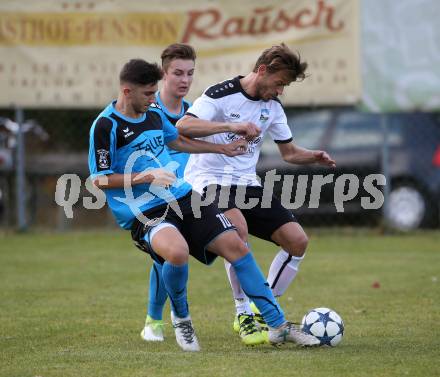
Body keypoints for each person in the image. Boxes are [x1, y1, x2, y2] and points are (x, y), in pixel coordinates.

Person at [88, 58, 320, 351]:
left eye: (154, 92)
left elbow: (179, 142)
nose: (153, 99)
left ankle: (278, 326)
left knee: (237, 246)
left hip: (183, 196)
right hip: (143, 209)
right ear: (126, 92)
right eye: (148, 94)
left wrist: (220, 147)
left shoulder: (154, 116)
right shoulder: (105, 125)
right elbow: (100, 180)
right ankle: (182, 321)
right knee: (177, 252)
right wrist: (145, 175)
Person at [177, 43, 336, 345]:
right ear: (263, 71)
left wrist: (313, 156)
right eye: (279, 83)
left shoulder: (272, 108)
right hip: (208, 180)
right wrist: (230, 125)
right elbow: (183, 126)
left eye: (284, 86)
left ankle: (262, 308)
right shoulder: (220, 94)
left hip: (247, 184)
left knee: (297, 241)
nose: (280, 91)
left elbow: (288, 152)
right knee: (238, 231)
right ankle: (242, 314)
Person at [140, 43, 197, 343]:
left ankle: (244, 311)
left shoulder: (194, 115)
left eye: (190, 73)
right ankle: (155, 320)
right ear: (163, 74)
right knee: (167, 256)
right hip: (152, 200)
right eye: (177, 73)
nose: (184, 80)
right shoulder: (147, 112)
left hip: (188, 196)